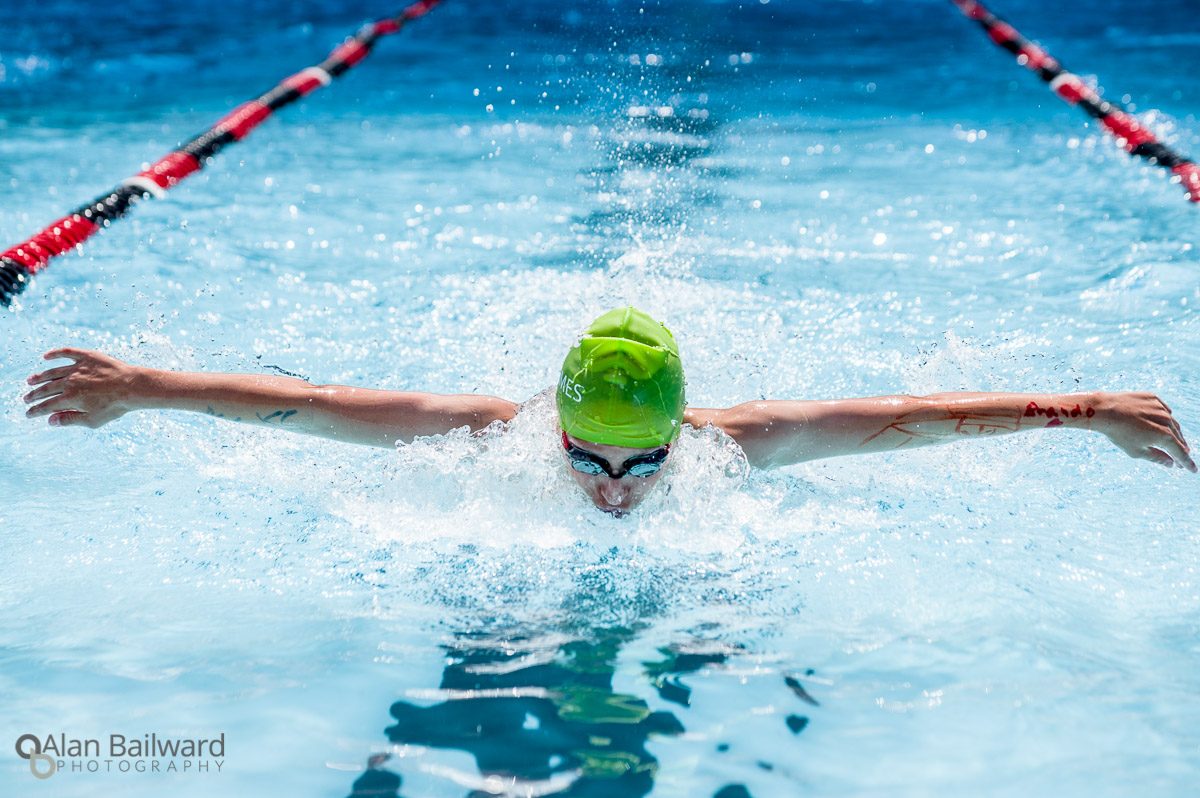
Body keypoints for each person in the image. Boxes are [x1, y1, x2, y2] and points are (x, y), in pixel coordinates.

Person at [23, 307, 1195, 515]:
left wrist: (1083, 408)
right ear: (556, 424)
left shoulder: (738, 443)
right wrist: (142, 390)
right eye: (591, 458)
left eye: (643, 467)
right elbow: (315, 407)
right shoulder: (494, 427)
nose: (612, 490)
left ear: (684, 434)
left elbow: (913, 417)